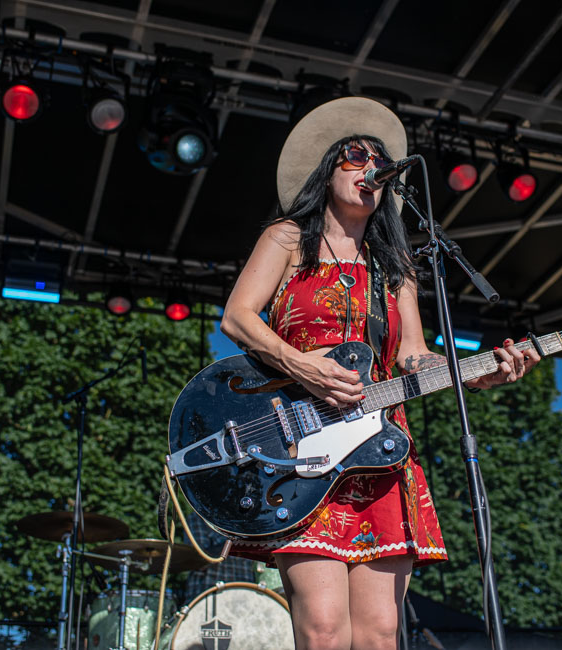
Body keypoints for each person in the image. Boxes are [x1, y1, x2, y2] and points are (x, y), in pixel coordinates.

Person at [219, 96, 540, 650]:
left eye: (378, 158)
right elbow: (237, 317)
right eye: (354, 155)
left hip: (380, 450)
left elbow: (413, 357)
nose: (370, 165)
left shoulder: (395, 267)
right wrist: (301, 364)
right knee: (323, 630)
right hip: (301, 451)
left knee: (381, 634)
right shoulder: (287, 239)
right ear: (327, 169)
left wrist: (476, 373)